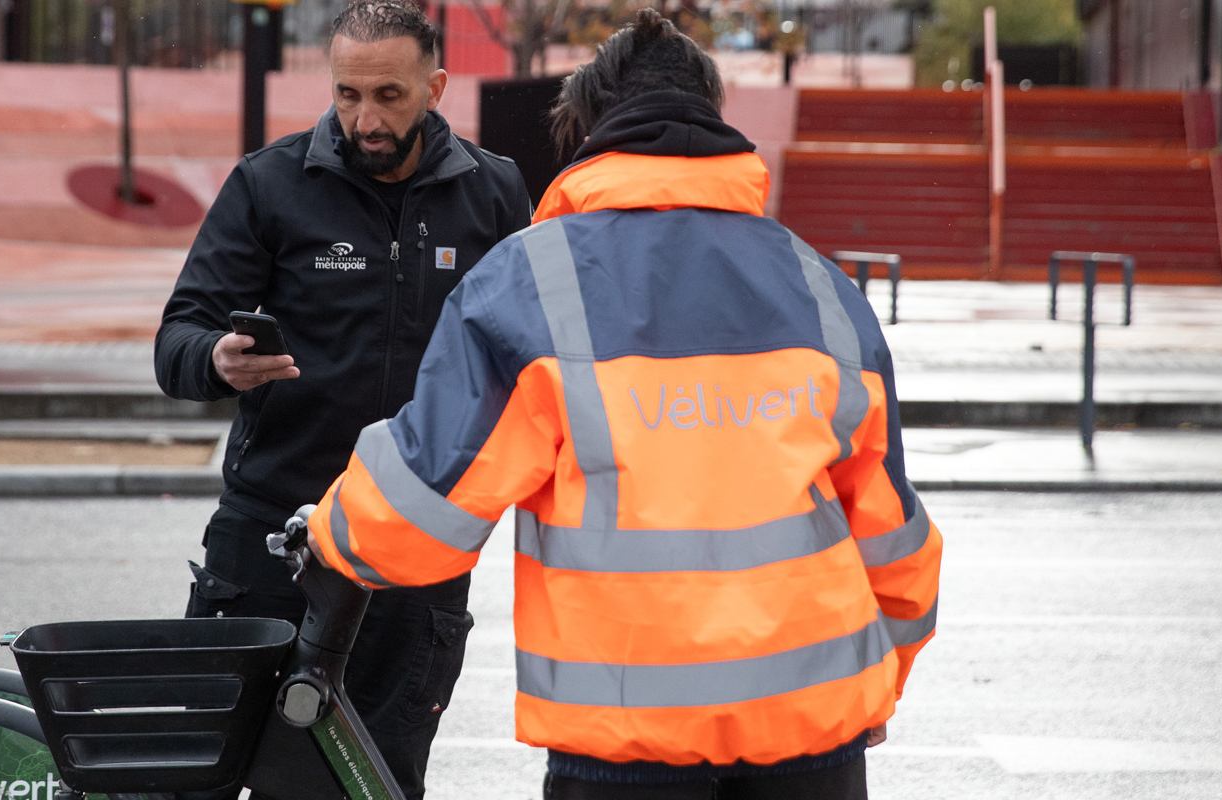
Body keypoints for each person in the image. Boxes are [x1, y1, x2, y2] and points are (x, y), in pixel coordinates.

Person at [301, 11, 940, 799]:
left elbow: (427, 505)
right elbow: (893, 533)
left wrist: (329, 532)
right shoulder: (822, 290)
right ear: (714, 121)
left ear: (588, 130)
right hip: (814, 730)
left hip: (626, 736)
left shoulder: (531, 285)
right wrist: (881, 683)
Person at [151, 1, 532, 795]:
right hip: (270, 538)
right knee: (214, 775)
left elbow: (531, 355)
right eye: (347, 95)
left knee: (381, 782)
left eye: (389, 96)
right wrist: (214, 359)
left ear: (435, 87)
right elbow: (177, 338)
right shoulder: (269, 183)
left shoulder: (494, 193)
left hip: (417, 543)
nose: (366, 120)